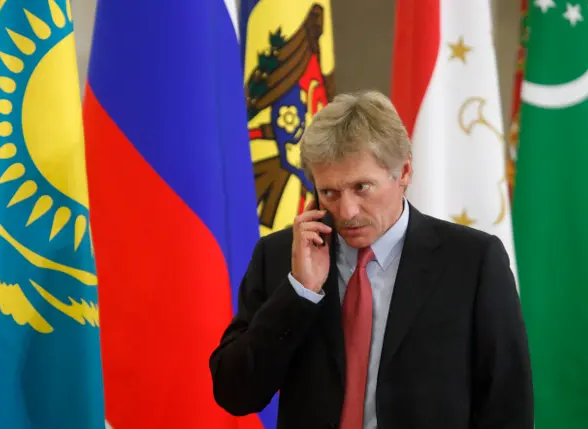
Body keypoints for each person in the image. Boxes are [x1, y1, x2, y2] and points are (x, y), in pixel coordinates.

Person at [209, 90, 533, 429]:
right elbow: (235, 393)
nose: (347, 211)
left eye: (362, 187)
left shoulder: (472, 261)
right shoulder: (280, 257)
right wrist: (299, 293)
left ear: (404, 172)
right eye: (329, 193)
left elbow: (507, 405)